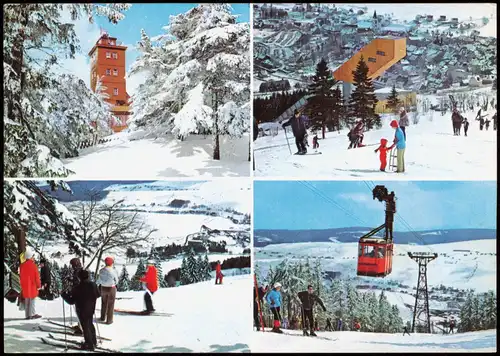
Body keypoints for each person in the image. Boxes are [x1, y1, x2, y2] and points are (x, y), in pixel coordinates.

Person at [61, 269, 100, 351]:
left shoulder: (77, 288)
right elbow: (98, 294)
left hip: (81, 310)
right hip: (91, 308)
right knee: (90, 324)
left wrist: (64, 296)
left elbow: (71, 301)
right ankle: (93, 341)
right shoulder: (93, 285)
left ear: (79, 278)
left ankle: (89, 344)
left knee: (85, 327)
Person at [19, 249, 42, 319]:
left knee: (27, 301)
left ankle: (27, 315)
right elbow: (37, 277)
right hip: (32, 286)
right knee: (32, 301)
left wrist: (22, 286)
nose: (33, 257)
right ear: (30, 257)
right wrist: (38, 285)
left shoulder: (21, 266)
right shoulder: (33, 265)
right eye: (32, 256)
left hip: (25, 286)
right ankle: (32, 314)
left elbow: (21, 277)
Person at [96, 257, 119, 325]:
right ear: (112, 263)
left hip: (103, 288)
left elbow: (98, 280)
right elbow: (117, 280)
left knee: (103, 303)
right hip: (111, 288)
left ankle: (102, 317)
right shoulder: (114, 271)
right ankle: (109, 320)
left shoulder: (101, 270)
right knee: (111, 304)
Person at [69, 257, 84, 334]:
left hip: (79, 294)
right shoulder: (79, 270)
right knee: (79, 311)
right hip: (80, 293)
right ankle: (80, 326)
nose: (71, 266)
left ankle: (81, 328)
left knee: (80, 311)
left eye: (72, 265)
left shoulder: (78, 271)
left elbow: (78, 283)